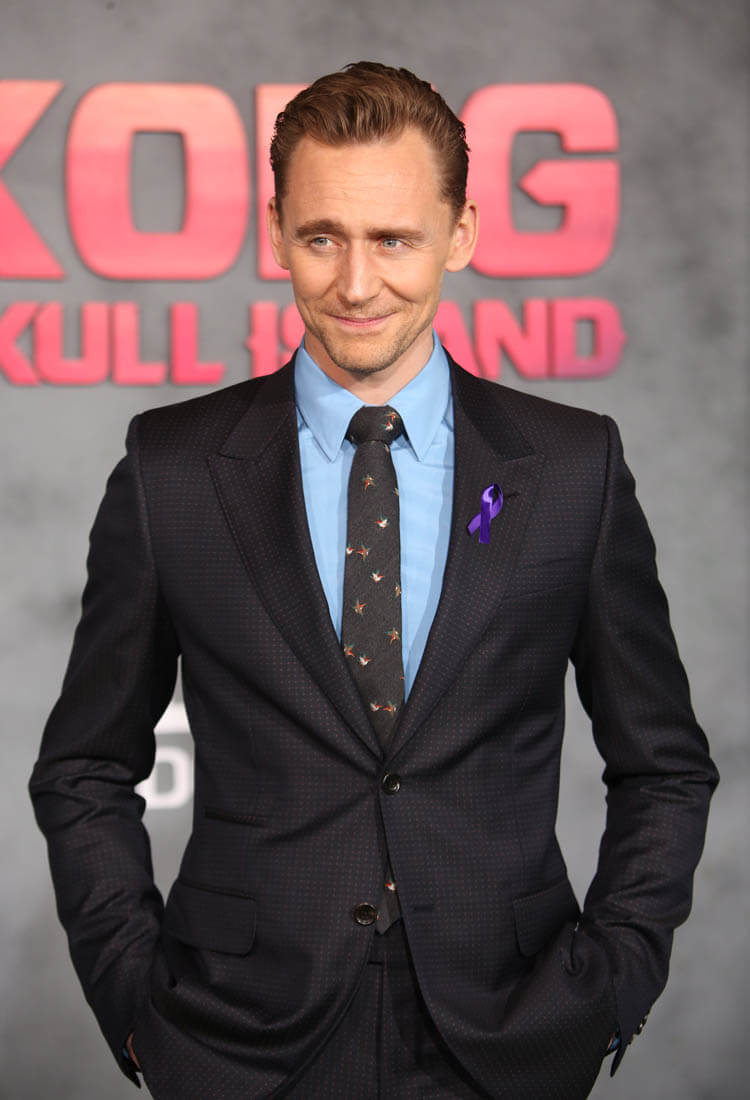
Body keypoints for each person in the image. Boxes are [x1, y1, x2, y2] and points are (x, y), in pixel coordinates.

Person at [30, 62, 718, 1100]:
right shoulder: (171, 470)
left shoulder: (575, 468)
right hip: (238, 1040)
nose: (356, 285)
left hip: (510, 1031)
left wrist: (610, 985)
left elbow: (664, 765)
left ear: (462, 233)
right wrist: (136, 1001)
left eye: (393, 239)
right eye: (323, 238)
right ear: (276, 231)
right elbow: (84, 765)